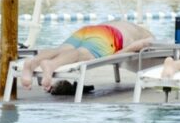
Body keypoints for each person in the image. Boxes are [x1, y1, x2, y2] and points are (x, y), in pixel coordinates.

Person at [16, 21, 155, 91]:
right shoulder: (147, 35)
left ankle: (32, 62)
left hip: (89, 30)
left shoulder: (126, 24)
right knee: (82, 53)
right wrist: (121, 52)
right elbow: (142, 44)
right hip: (109, 37)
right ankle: (51, 65)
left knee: (62, 49)